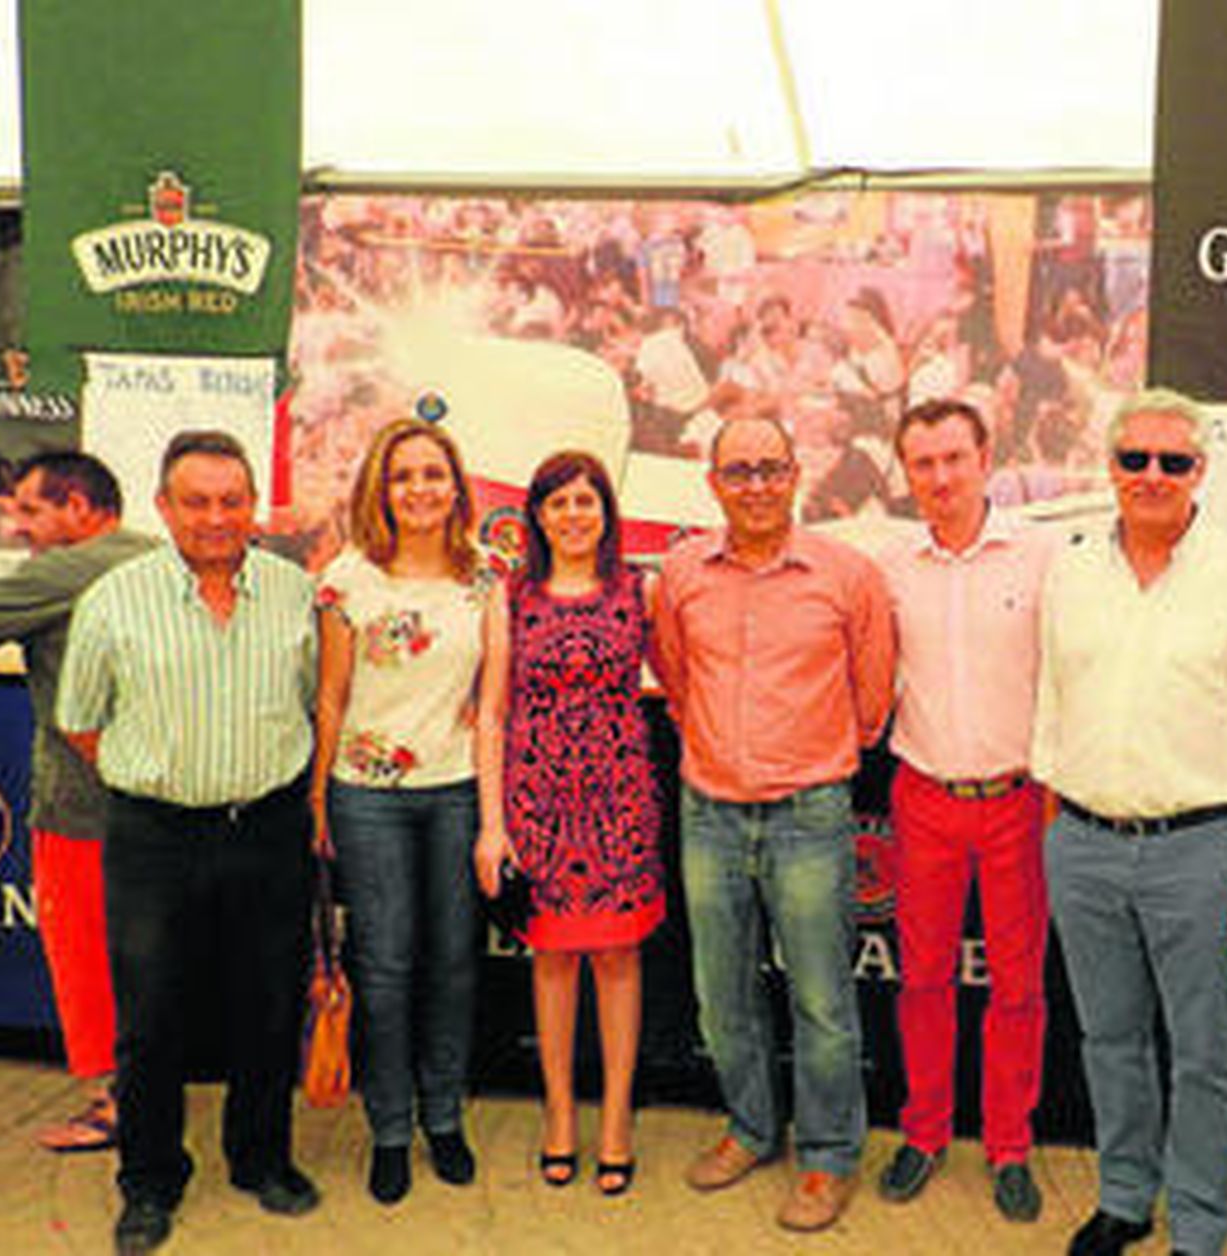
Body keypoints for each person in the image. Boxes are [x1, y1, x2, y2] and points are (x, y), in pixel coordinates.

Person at [1031, 389, 1227, 1256]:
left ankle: (1197, 1223)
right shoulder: (1072, 572)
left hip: (1199, 851)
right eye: (1135, 459)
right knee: (1109, 1037)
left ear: (1201, 471)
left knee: (1203, 1052)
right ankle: (1126, 1197)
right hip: (1081, 844)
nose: (1152, 475)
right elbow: (1053, 706)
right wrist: (1057, 832)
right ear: (1110, 468)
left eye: (1173, 461)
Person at [55, 430, 320, 1256]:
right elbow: (81, 721)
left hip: (268, 828)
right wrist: (164, 779)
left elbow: (312, 701)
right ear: (164, 507)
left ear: (253, 507)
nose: (215, 517)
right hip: (155, 836)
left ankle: (261, 1159)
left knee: (268, 1007)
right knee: (150, 1017)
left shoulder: (294, 594)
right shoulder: (114, 599)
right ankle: (149, 1180)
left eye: (231, 501)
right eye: (196, 501)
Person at [651, 416, 895, 1232]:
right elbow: (676, 682)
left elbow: (872, 701)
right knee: (722, 996)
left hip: (809, 815)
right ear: (713, 482)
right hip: (709, 813)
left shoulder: (848, 575)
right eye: (738, 471)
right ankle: (752, 1128)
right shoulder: (682, 572)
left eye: (770, 468)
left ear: (795, 475)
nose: (755, 485)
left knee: (821, 1000)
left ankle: (827, 1156)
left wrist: (805, 755)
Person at [312, 417, 502, 1205]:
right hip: (367, 798)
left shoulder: (486, 575)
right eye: (403, 476)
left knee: (453, 964)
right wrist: (319, 800)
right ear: (380, 491)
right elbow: (330, 698)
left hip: (456, 792)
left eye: (433, 474)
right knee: (385, 969)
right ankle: (390, 1129)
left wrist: (492, 816)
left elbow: (494, 704)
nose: (419, 489)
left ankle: (444, 1117)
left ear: (456, 487)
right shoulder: (347, 579)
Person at [874, 399, 1052, 1221]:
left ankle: (1010, 1143)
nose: (940, 477)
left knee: (1017, 986)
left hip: (1018, 799)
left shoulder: (1040, 559)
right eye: (924, 463)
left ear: (986, 459)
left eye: (954, 458)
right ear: (906, 473)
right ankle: (925, 1132)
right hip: (924, 796)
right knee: (922, 978)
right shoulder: (890, 566)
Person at [474, 450, 665, 1198]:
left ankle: (616, 1120)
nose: (573, 515)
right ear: (538, 517)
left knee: (617, 960)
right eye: (558, 503)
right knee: (552, 963)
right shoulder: (510, 597)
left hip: (620, 806)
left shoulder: (639, 591)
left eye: (586, 502)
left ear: (607, 513)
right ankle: (559, 1115)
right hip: (537, 809)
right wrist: (493, 826)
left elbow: (680, 682)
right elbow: (492, 713)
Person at [0, 453, 155, 1152]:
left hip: (81, 810)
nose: (17, 527)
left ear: (82, 509)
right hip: (160, 807)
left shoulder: (68, 570)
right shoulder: (158, 555)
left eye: (32, 510)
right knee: (144, 963)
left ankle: (117, 1105)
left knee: (86, 959)